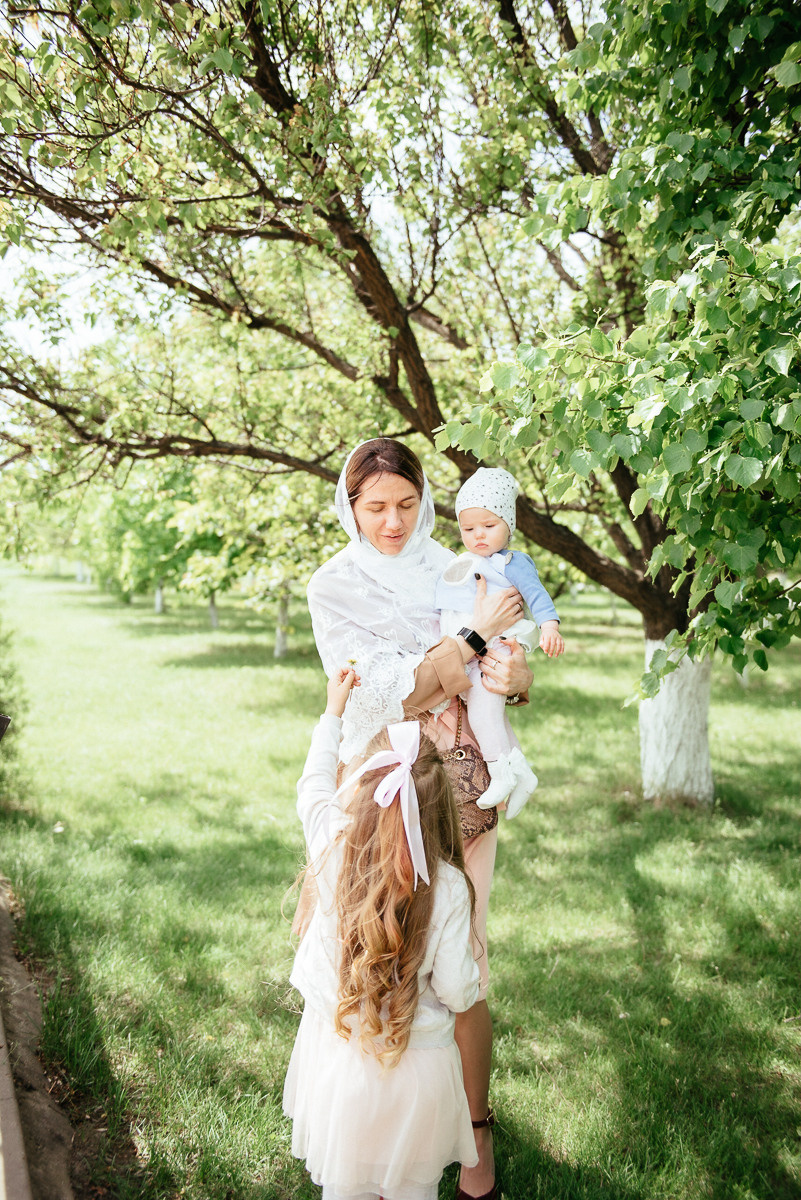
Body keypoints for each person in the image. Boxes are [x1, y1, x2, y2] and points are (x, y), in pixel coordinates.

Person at [306, 438, 534, 1200]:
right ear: (349, 505)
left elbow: (499, 647)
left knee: (462, 957)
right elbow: (377, 698)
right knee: (372, 944)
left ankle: (474, 1142)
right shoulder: (332, 585)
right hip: (376, 785)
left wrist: (512, 670)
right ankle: (374, 1135)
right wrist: (463, 643)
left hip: (462, 785)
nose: (393, 521)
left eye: (405, 503)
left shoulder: (457, 563)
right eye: (374, 507)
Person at [283, 665, 481, 1200]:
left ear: (364, 790)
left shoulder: (332, 844)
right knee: (411, 1190)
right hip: (416, 1076)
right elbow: (460, 992)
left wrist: (332, 713)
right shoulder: (449, 889)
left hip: (341, 1064)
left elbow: (313, 786)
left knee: (345, 1188)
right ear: (442, 811)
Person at [435, 467, 565, 817]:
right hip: (471, 648)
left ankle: (500, 772)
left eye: (488, 527)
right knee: (495, 717)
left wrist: (549, 626)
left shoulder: (511, 562)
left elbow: (536, 595)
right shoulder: (465, 561)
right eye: (468, 529)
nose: (478, 535)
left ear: (509, 525)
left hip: (494, 647)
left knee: (483, 709)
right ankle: (521, 774)